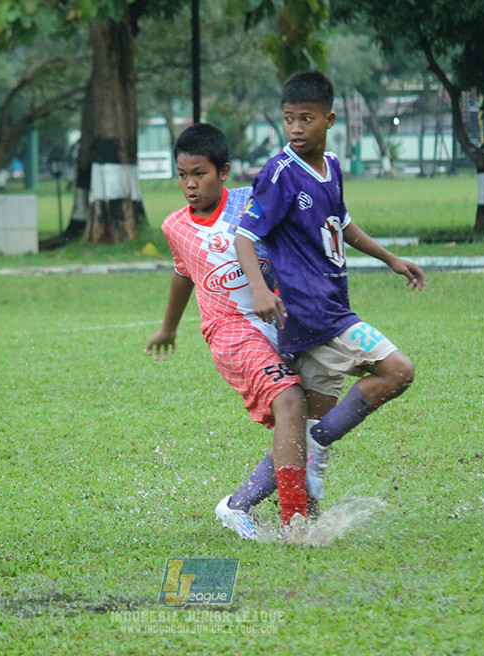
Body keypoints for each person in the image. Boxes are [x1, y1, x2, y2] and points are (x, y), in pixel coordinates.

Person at [235, 71, 427, 502]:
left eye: (306, 118)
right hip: (314, 313)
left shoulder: (333, 166)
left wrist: (389, 258)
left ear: (329, 119)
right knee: (399, 371)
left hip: (327, 308)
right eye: (289, 119)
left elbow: (338, 223)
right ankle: (321, 447)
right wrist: (260, 290)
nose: (296, 128)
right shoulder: (280, 173)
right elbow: (245, 236)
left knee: (298, 437)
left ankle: (242, 504)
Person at [145, 123, 309, 539]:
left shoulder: (250, 202)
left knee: (302, 421)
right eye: (182, 176)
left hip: (279, 323)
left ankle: (241, 505)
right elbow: (184, 274)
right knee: (289, 401)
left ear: (224, 171)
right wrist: (169, 328)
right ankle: (296, 522)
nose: (190, 185)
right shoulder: (175, 227)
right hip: (229, 332)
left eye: (199, 173)